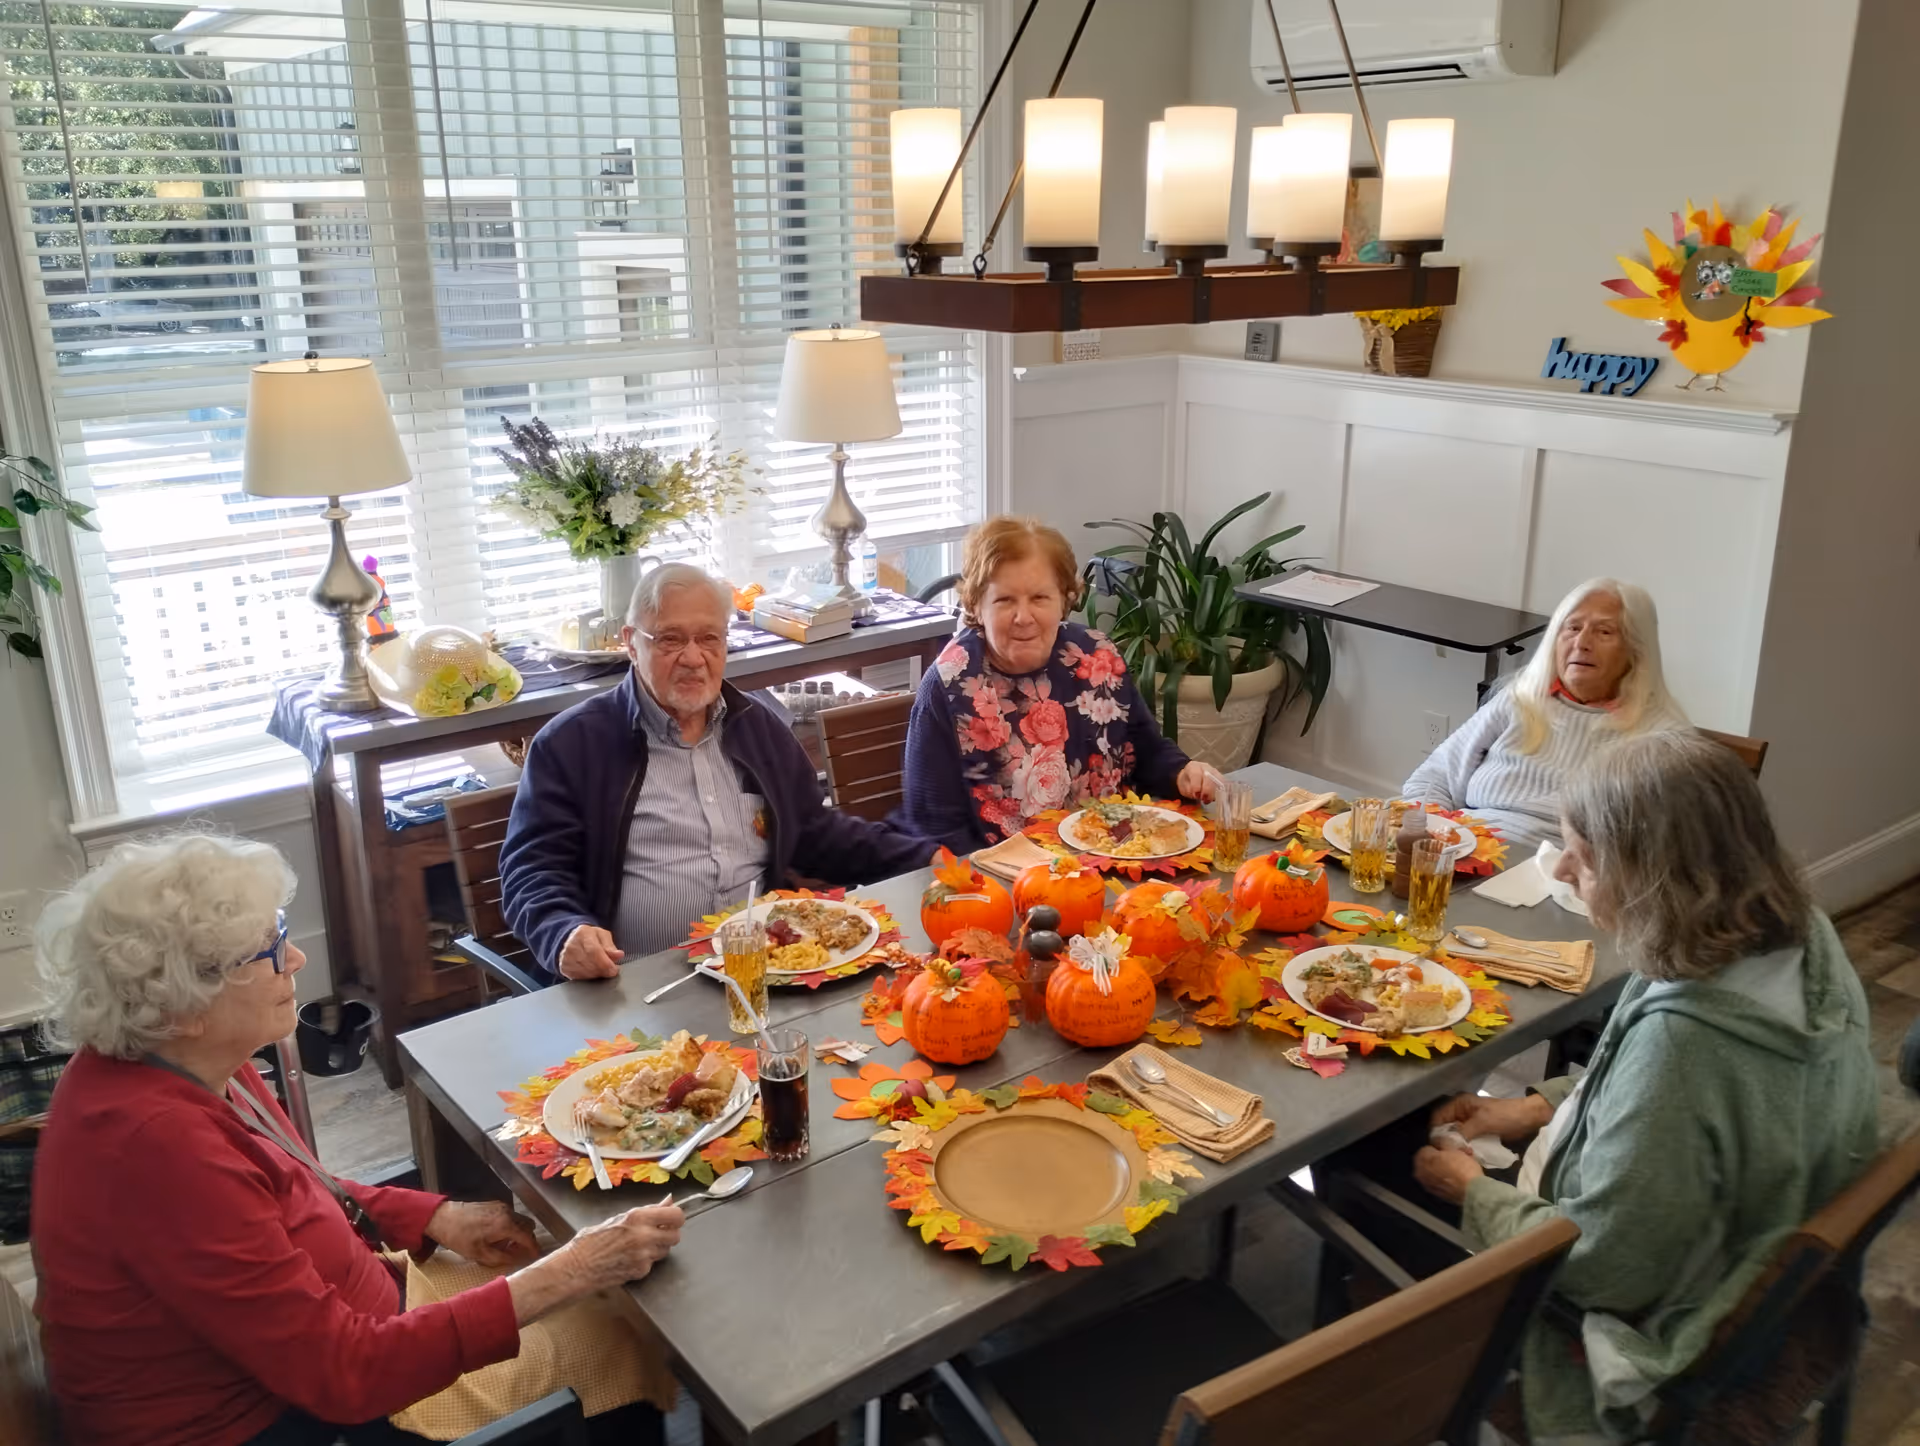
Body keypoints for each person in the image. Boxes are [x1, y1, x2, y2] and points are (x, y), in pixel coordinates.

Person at [30, 832, 686, 1446]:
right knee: (613, 1327)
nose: (295, 958)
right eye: (267, 950)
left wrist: (434, 1214)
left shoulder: (188, 1060)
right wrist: (569, 1271)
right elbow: (346, 1375)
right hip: (282, 1418)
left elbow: (288, 1190)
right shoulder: (157, 1149)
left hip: (351, 1312)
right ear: (186, 997)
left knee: (583, 1273)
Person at [1410, 731, 1877, 1443]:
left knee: (1378, 1157)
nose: (1563, 870)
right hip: (1751, 1243)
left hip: (1660, 1310)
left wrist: (1473, 1191)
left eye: (1585, 857)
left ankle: (1382, 1389)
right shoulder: (1798, 934)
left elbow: (1601, 1270)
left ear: (1652, 876)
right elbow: (1662, 1104)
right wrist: (1535, 1105)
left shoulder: (1685, 1046)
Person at [501, 562, 933, 981]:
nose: (694, 658)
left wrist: (926, 858)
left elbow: (816, 832)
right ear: (632, 644)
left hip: (762, 969)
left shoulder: (757, 725)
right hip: (634, 985)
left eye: (710, 638)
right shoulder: (572, 744)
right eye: (670, 639)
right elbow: (532, 870)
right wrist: (563, 931)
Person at [898, 516, 1214, 853]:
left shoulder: (1096, 656)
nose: (1023, 616)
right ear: (976, 603)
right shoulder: (948, 685)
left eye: (1039, 598)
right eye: (1005, 600)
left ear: (1065, 599)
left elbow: (1145, 752)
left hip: (1114, 856)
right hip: (1005, 881)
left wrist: (1182, 772)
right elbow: (935, 829)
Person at [1401, 577, 1688, 851]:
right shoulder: (1520, 701)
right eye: (1572, 628)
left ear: (1636, 650)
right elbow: (1432, 778)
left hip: (1565, 878)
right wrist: (1434, 838)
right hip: (1467, 852)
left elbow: (1655, 852)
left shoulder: (1663, 739)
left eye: (1604, 632)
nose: (1582, 643)